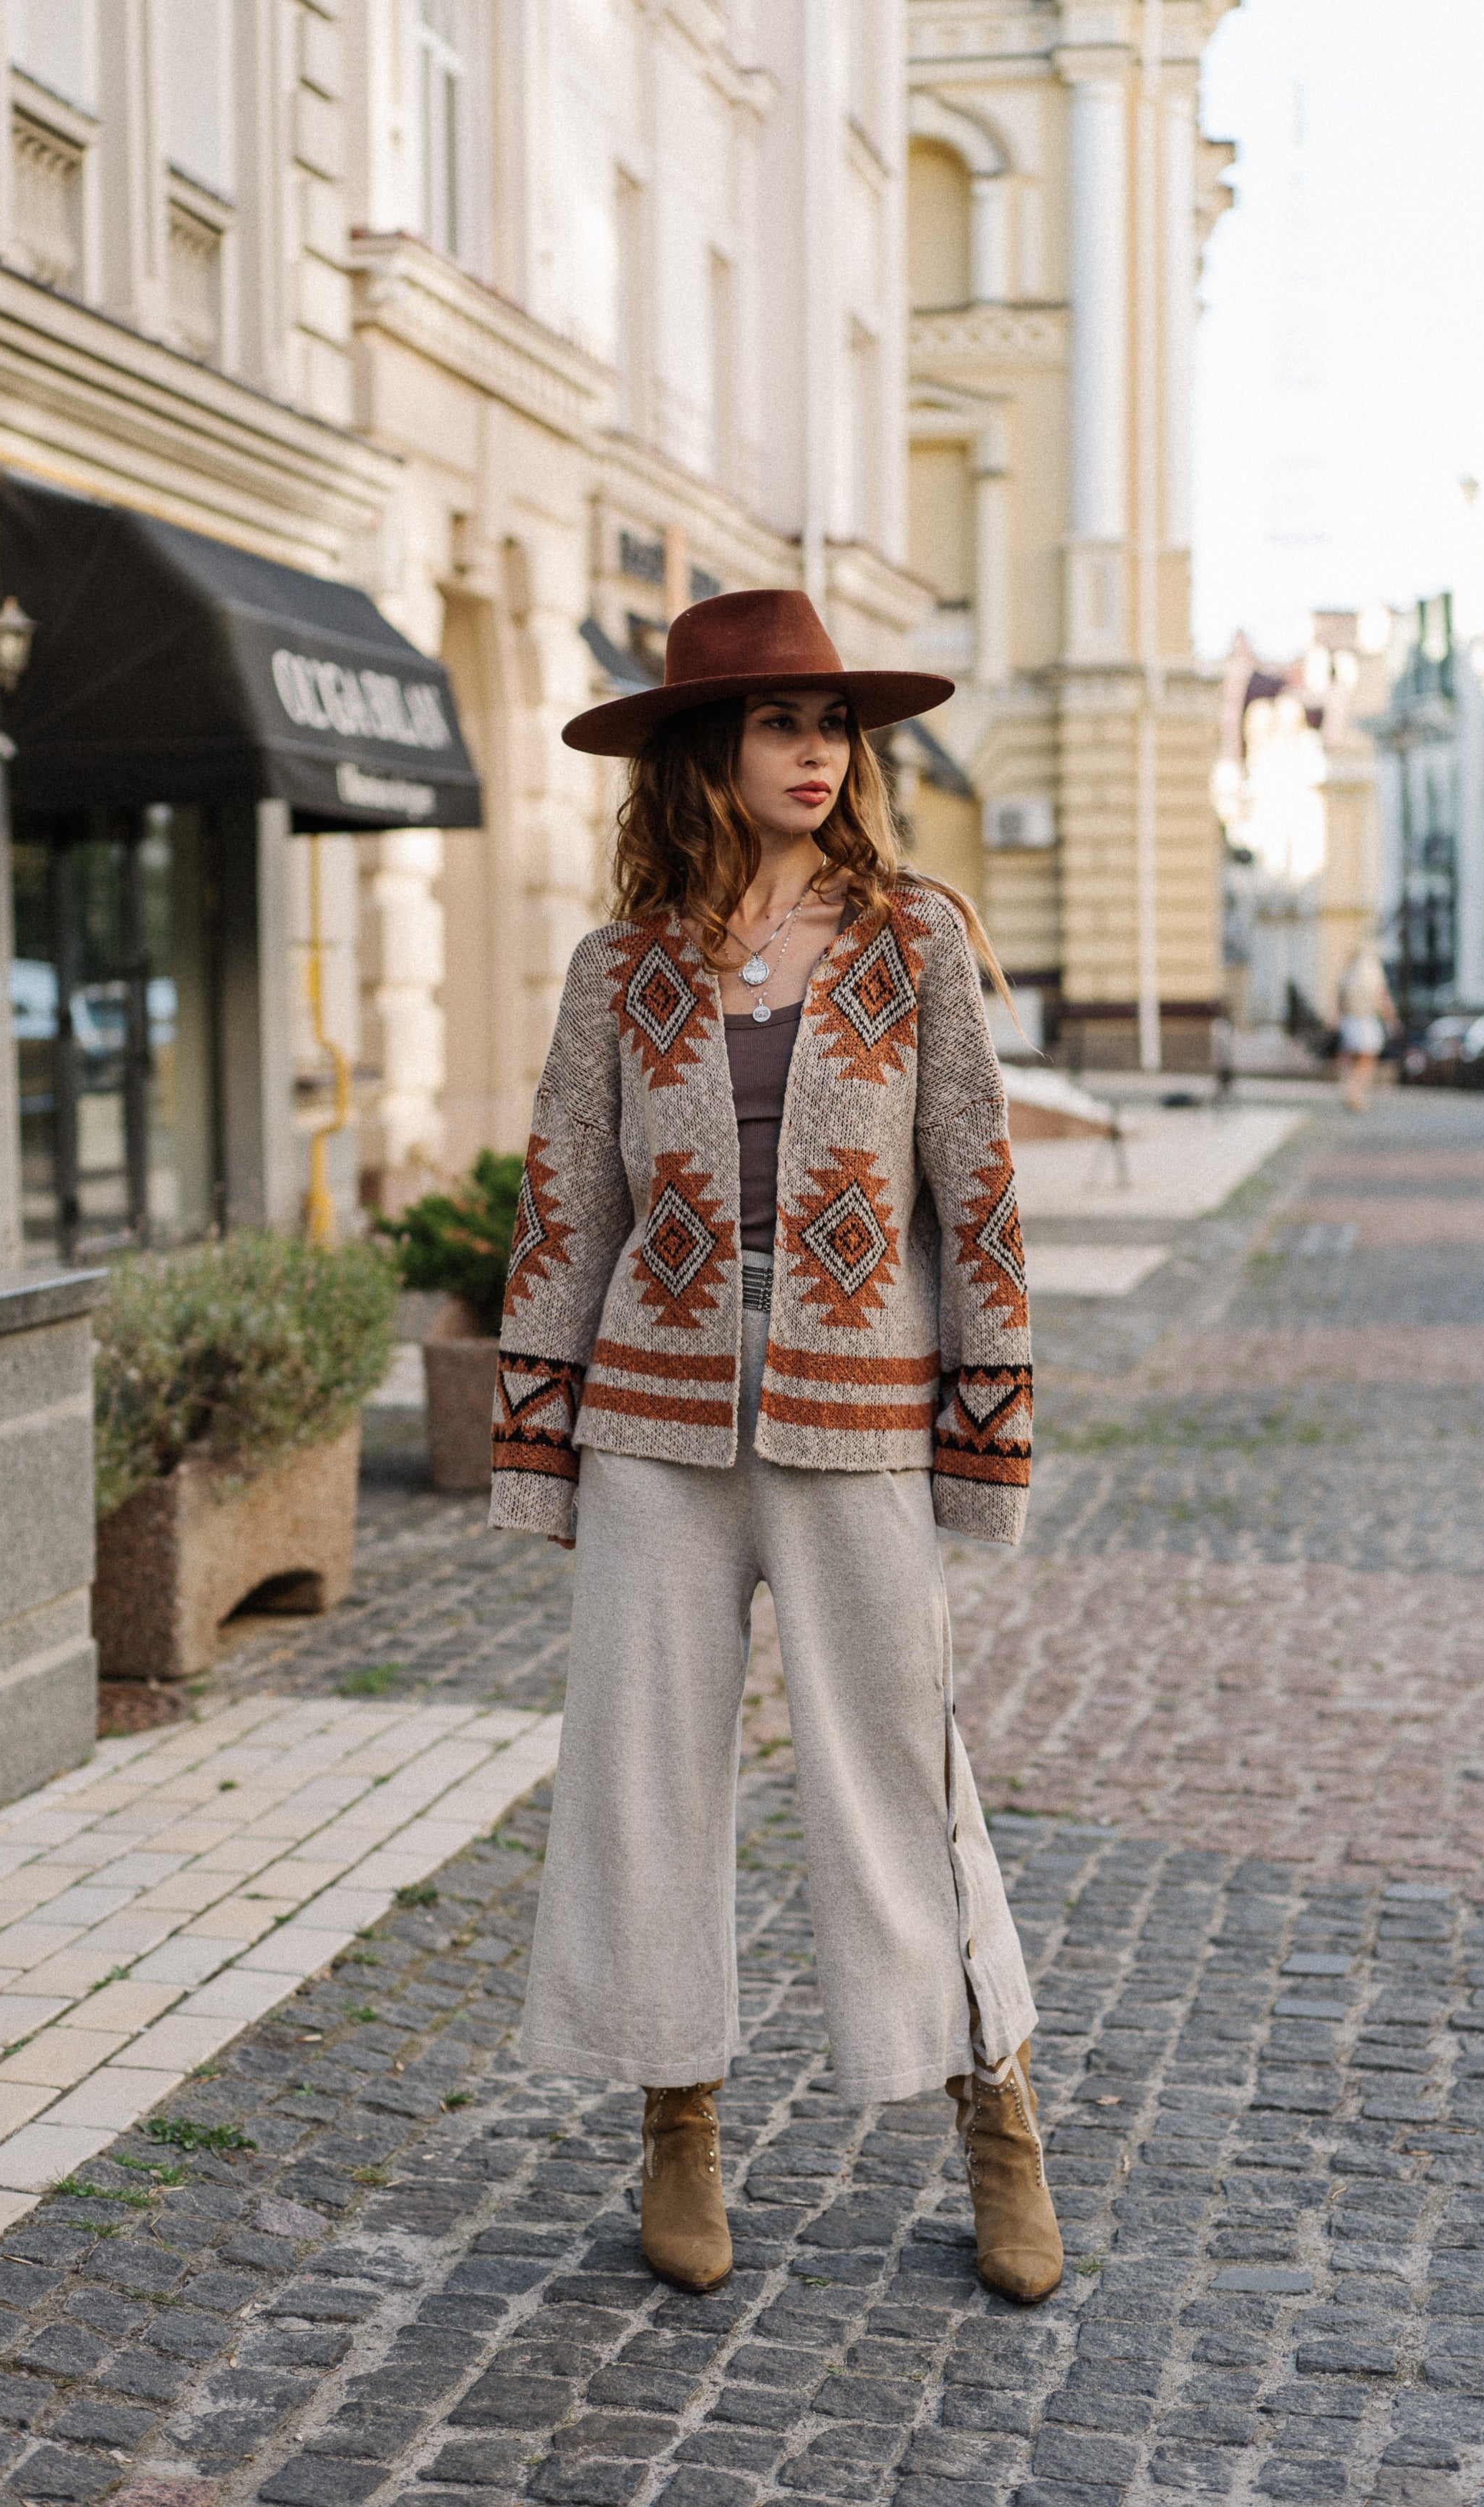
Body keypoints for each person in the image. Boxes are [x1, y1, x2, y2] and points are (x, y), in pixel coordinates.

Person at [488, 587, 1062, 2306]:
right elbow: (562, 1202)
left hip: (857, 1408)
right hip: (655, 1417)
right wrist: (541, 1442)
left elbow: (974, 1189)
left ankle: (997, 2107)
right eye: (776, 724)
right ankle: (677, 2121)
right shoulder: (622, 966)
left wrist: (986, 1422)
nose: (814, 754)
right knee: (643, 1772)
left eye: (832, 726)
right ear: (703, 751)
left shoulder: (912, 941)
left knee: (899, 1771)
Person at [1336, 943, 1396, 1112]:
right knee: (1368, 1058)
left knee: (1355, 1058)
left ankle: (1353, 1088)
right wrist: (1392, 1021)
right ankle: (1355, 1090)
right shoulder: (1374, 974)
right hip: (1367, 1020)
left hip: (1350, 1020)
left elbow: (1339, 999)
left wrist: (1338, 1020)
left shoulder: (1348, 974)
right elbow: (1383, 999)